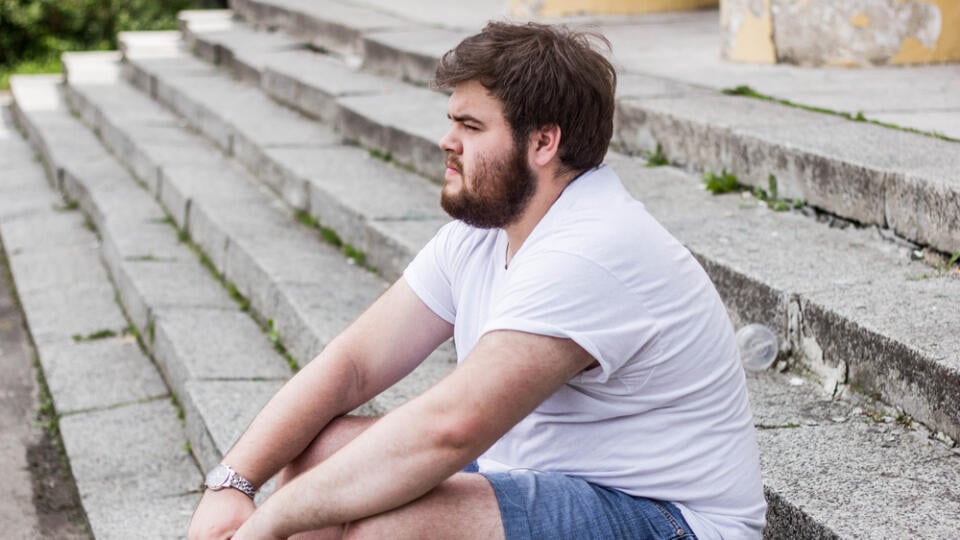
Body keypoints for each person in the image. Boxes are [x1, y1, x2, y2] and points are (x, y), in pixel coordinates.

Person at [188, 21, 766, 540]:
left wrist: (268, 522)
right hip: (542, 475)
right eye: (451, 121)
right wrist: (232, 485)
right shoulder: (488, 228)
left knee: (388, 527)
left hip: (668, 518)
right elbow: (354, 365)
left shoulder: (592, 249)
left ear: (544, 141)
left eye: (470, 125)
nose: (447, 141)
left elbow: (450, 429)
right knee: (322, 452)